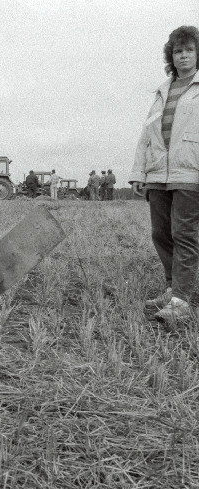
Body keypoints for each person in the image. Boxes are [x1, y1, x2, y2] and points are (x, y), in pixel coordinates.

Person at [131, 25, 199, 321]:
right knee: (161, 233)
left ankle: (182, 303)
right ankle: (172, 290)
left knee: (183, 234)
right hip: (158, 175)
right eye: (178, 51)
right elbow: (147, 135)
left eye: (189, 50)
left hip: (190, 173)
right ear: (171, 56)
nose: (183, 55)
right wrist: (138, 172)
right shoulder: (162, 91)